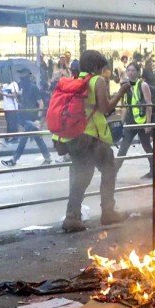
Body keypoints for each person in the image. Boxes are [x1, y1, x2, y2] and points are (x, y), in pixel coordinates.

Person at [56, 50, 132, 233]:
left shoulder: (75, 80)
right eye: (102, 67)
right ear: (97, 66)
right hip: (93, 136)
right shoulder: (96, 81)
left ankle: (72, 216)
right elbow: (106, 108)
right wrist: (122, 90)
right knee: (108, 169)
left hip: (73, 135)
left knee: (80, 177)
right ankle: (107, 211)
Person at [2, 70, 51, 167]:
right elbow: (20, 101)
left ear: (27, 75)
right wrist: (18, 97)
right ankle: (47, 158)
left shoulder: (33, 87)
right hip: (24, 116)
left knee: (24, 139)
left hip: (32, 118)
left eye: (22, 73)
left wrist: (38, 118)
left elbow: (40, 103)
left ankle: (14, 159)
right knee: (38, 138)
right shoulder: (21, 86)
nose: (20, 75)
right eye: (20, 73)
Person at [117, 62, 155, 178]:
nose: (130, 72)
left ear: (138, 72)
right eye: (128, 70)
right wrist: (121, 123)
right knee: (123, 147)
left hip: (142, 121)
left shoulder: (143, 85)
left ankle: (153, 171)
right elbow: (124, 106)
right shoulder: (125, 86)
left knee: (146, 146)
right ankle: (113, 172)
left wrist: (148, 123)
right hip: (130, 121)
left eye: (133, 70)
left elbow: (149, 104)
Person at [0, 76, 21, 144]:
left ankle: (15, 138)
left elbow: (14, 95)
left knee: (13, 123)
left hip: (12, 107)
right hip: (6, 107)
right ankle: (8, 137)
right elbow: (1, 93)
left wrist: (3, 94)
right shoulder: (5, 85)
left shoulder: (14, 84)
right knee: (8, 123)